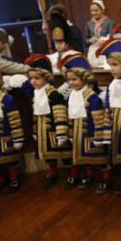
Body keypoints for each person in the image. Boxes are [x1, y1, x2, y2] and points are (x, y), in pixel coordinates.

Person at [57, 53, 110, 189]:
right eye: (69, 80)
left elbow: (99, 120)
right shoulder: (71, 97)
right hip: (78, 134)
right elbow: (70, 116)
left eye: (74, 79)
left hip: (92, 135)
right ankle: (89, 175)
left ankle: (106, 179)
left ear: (84, 79)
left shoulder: (93, 98)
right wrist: (70, 133)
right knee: (84, 159)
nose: (71, 83)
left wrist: (99, 137)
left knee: (100, 160)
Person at [95, 39, 121, 195]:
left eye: (115, 65)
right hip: (116, 125)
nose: (111, 69)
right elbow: (108, 107)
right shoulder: (112, 85)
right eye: (109, 64)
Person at [24, 54, 72, 189]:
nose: (33, 81)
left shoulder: (54, 95)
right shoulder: (36, 94)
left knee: (64, 155)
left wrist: (62, 133)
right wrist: (34, 131)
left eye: (37, 78)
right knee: (48, 156)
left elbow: (60, 114)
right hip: (41, 131)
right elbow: (35, 114)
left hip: (54, 131)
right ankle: (53, 172)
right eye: (31, 78)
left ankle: (72, 173)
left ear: (46, 77)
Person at [0, 69, 24, 193]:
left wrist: (17, 137)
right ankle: (0, 180)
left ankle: (13, 178)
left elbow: (15, 120)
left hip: (5, 135)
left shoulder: (7, 99)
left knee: (11, 159)